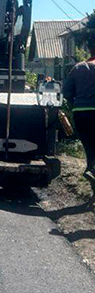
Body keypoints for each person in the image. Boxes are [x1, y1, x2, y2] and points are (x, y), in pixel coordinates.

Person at [63, 35, 95, 183]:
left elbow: (67, 92)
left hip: (81, 112)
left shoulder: (78, 68)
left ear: (90, 51)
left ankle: (91, 168)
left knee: (88, 144)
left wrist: (75, 104)